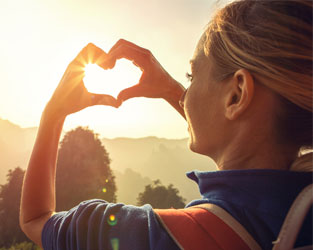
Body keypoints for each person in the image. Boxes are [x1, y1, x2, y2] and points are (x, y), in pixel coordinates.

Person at [20, 0, 312, 249]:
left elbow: (35, 219)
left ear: (236, 94)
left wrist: (53, 115)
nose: (187, 90)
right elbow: (246, 132)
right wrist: (172, 90)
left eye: (191, 76)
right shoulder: (302, 216)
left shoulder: (144, 235)